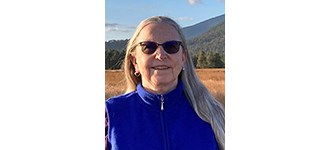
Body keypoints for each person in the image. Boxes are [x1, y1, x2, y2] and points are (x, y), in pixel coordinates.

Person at [105, 16, 225, 150]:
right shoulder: (111, 115)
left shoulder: (212, 114)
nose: (161, 55)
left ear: (183, 57)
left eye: (171, 46)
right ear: (135, 62)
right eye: (148, 47)